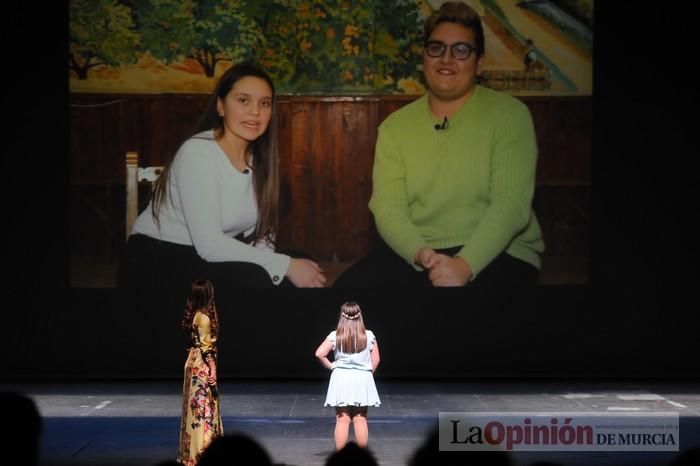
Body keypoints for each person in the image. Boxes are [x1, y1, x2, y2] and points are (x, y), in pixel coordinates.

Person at [334, 2, 544, 289]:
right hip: (421, 253)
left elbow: (511, 206)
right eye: (436, 48)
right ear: (424, 57)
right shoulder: (395, 128)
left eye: (461, 50)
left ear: (479, 63)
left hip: (500, 253)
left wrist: (465, 265)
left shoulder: (510, 116)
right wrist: (420, 253)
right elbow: (388, 208)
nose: (446, 59)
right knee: (345, 298)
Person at [118, 62, 326, 293]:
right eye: (243, 100)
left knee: (300, 266)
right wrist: (284, 266)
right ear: (220, 106)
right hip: (157, 260)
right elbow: (210, 246)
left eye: (264, 103)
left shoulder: (263, 159)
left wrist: (277, 272)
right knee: (271, 274)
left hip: (206, 255)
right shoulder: (197, 152)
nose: (255, 112)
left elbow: (264, 237)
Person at [315, 302, 381, 451]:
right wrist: (368, 374)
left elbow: (319, 353)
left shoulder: (335, 335)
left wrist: (332, 366)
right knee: (360, 419)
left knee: (342, 419)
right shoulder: (369, 335)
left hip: (341, 378)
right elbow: (376, 359)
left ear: (341, 317)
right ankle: (362, 456)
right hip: (361, 378)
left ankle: (341, 457)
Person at [178, 280, 224, 466]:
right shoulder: (204, 318)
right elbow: (207, 347)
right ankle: (203, 452)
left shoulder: (195, 316)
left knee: (193, 410)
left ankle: (190, 453)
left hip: (192, 362)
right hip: (201, 366)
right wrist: (212, 369)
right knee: (204, 408)